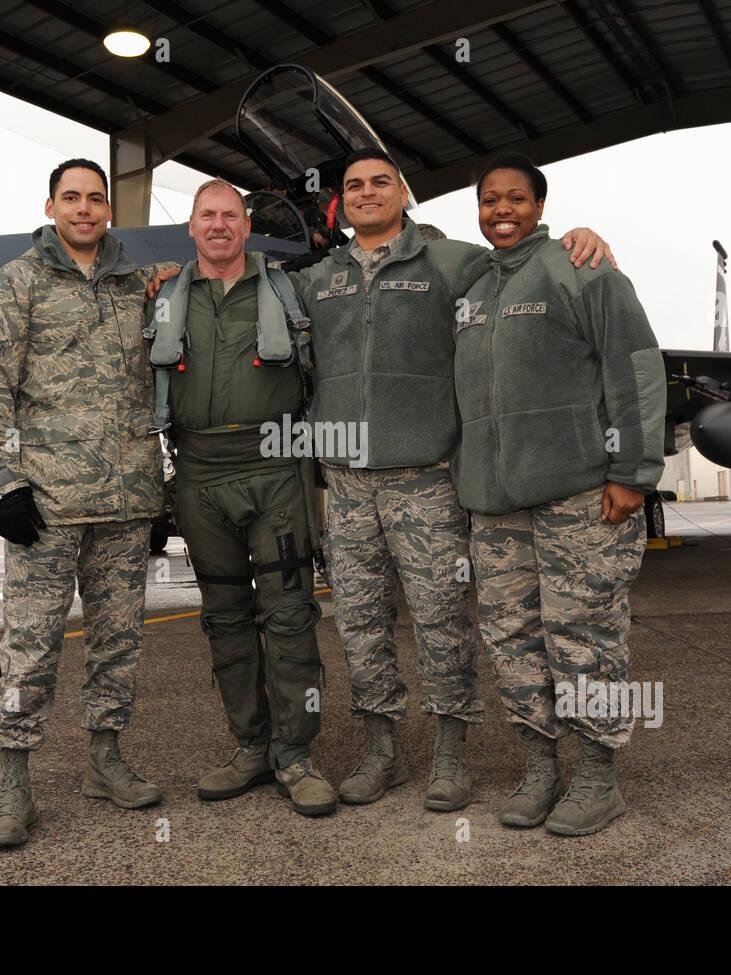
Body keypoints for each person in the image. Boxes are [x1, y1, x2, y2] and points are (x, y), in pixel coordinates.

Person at [288, 148, 615, 812]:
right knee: (358, 623)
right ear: (341, 200)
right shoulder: (316, 279)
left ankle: (450, 755)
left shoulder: (454, 261)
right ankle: (382, 751)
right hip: (346, 484)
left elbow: (521, 261)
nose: (368, 192)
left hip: (427, 480)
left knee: (442, 622)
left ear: (404, 192)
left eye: (381, 181)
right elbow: (239, 289)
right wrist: (166, 277)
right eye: (355, 185)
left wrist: (583, 238)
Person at [0, 158, 176, 849]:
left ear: (109, 209)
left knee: (119, 645)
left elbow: (159, 372)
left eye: (96, 198)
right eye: (72, 197)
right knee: (29, 648)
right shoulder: (17, 283)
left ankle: (105, 761)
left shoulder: (136, 283)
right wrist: (3, 483)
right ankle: (13, 784)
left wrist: (155, 494)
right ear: (51, 205)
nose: (84, 209)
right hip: (46, 507)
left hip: (125, 506)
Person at [454, 153, 664, 836]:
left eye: (516, 198)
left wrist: (633, 470)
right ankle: (540, 768)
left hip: (579, 495)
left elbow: (634, 363)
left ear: (539, 208)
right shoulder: (472, 288)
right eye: (490, 200)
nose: (502, 210)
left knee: (584, 637)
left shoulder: (582, 267)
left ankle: (598, 778)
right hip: (494, 502)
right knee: (512, 638)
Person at [147, 179, 335, 817]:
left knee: (288, 617)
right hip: (199, 474)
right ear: (191, 226)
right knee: (225, 620)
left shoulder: (289, 287)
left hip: (275, 467)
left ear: (246, 225)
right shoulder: (164, 295)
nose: (220, 225)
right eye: (208, 215)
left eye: (231, 215)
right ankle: (250, 747)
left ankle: (297, 753)